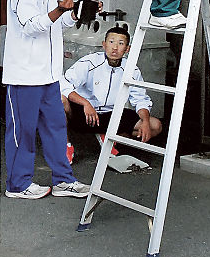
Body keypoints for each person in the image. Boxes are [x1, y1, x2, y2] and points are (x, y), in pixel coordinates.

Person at [2, 0, 93, 200]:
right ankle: (17, 184)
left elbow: (56, 25)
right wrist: (58, 11)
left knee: (56, 128)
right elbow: (30, 26)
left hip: (49, 73)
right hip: (25, 74)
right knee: (23, 131)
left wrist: (77, 14)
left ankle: (64, 180)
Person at [60, 26, 163, 162]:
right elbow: (64, 85)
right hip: (83, 113)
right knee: (59, 100)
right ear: (104, 45)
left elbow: (140, 98)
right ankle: (64, 146)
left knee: (155, 125)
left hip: (111, 114)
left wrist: (144, 121)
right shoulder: (89, 62)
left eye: (120, 43)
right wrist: (85, 103)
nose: (115, 47)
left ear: (127, 49)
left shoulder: (131, 69)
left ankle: (108, 137)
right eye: (111, 42)